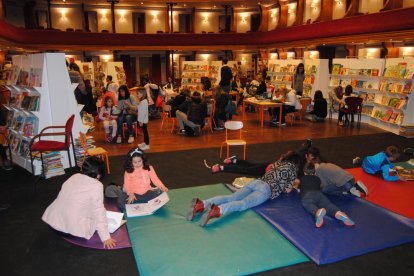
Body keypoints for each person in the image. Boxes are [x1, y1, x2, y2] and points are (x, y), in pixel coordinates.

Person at [187, 151, 301, 227]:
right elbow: (288, 190)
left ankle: (201, 204)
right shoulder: (292, 170)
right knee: (243, 204)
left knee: (230, 197)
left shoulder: (278, 163)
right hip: (266, 189)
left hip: (256, 182)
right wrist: (294, 182)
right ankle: (219, 210)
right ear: (296, 163)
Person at [42, 157, 116, 249]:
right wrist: (105, 237)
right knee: (97, 213)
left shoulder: (74, 176)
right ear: (98, 175)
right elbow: (98, 211)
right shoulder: (97, 186)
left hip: (53, 220)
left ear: (83, 168)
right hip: (72, 228)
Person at [299, 163, 355, 228]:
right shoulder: (318, 179)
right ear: (314, 173)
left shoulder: (302, 179)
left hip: (307, 195)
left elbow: (299, 186)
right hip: (319, 195)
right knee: (327, 204)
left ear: (304, 173)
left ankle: (317, 211)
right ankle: (338, 212)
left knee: (308, 204)